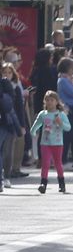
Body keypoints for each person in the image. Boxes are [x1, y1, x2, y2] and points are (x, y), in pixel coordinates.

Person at [31, 90, 69, 194]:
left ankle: (62, 184)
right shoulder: (43, 114)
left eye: (52, 100)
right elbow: (36, 124)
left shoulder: (60, 114)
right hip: (45, 143)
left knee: (58, 164)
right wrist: (33, 131)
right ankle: (43, 183)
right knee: (45, 163)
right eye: (47, 100)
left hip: (57, 143)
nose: (49, 102)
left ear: (56, 102)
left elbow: (68, 128)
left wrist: (60, 123)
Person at [0, 61, 22, 191]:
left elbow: (14, 107)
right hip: (5, 122)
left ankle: (5, 177)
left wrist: (21, 125)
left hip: (4, 122)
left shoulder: (6, 84)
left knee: (6, 151)